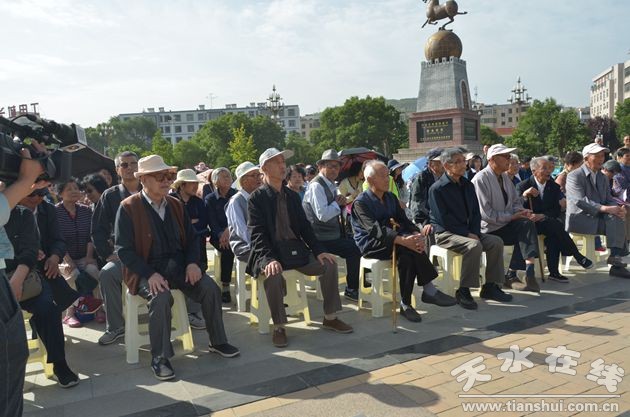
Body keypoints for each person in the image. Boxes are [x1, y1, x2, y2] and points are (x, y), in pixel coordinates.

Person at [115, 155, 239, 380]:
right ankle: (160, 357)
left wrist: (192, 263)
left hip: (178, 266)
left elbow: (192, 239)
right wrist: (150, 274)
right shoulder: (128, 208)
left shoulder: (175, 204)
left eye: (169, 176)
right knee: (161, 298)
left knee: (210, 288)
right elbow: (124, 250)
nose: (166, 181)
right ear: (143, 179)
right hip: (146, 271)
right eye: (160, 176)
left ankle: (218, 341)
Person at [247, 148, 353, 347]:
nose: (282, 166)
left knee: (329, 264)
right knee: (273, 274)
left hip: (295, 250)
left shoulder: (292, 195)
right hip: (270, 252)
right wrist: (269, 259)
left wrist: (319, 250)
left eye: (283, 162)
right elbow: (257, 234)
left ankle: (330, 317)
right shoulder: (257, 198)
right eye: (277, 162)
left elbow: (305, 227)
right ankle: (279, 326)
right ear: (264, 168)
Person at [352, 160, 456, 323]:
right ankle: (428, 290)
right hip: (372, 243)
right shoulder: (361, 202)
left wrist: (415, 233)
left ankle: (406, 304)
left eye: (388, 175)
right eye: (382, 176)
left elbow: (403, 220)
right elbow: (375, 230)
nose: (388, 179)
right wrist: (402, 240)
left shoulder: (390, 197)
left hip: (395, 239)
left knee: (408, 254)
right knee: (408, 248)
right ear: (370, 180)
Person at [5, 204, 80, 387]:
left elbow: (30, 251)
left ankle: (59, 364)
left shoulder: (22, 214)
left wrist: (17, 280)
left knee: (48, 308)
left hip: (25, 279)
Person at [429, 148, 510, 310]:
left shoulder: (467, 185)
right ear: (447, 166)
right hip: (446, 233)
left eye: (463, 161)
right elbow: (444, 219)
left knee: (495, 242)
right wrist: (467, 234)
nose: (463, 165)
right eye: (458, 162)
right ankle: (464, 290)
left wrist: (474, 232)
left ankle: (490, 286)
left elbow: (475, 213)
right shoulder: (437, 189)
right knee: (473, 246)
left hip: (469, 232)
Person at [0, 148, 46, 416]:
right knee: (9, 360)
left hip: (17, 278)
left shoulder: (24, 214)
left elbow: (30, 251)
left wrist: (26, 183)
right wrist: (24, 181)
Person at [471, 144, 540, 293]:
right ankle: (514, 274)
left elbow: (515, 202)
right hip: (488, 229)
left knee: (527, 224)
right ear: (493, 159)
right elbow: (486, 214)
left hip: (504, 224)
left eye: (509, 156)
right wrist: (512, 216)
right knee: (523, 227)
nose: (509, 160)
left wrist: (522, 211)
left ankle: (525, 272)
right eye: (506, 157)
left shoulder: (505, 177)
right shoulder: (480, 179)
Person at [516, 157, 594, 283]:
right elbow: (516, 206)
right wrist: (524, 196)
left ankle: (554, 273)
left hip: (546, 221)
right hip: (529, 224)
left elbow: (556, 210)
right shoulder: (523, 185)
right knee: (556, 226)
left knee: (554, 232)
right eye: (544, 168)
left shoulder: (553, 186)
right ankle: (577, 255)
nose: (549, 171)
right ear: (534, 171)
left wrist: (542, 215)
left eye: (550, 168)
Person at [92, 151, 142, 345]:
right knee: (106, 274)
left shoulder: (150, 189)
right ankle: (115, 327)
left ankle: (191, 314)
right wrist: (107, 254)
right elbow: (97, 229)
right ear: (117, 170)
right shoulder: (110, 195)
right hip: (124, 255)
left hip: (153, 253)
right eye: (124, 165)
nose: (130, 168)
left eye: (133, 163)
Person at [303, 150, 362, 301]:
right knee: (354, 249)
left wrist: (340, 202)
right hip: (319, 238)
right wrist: (337, 203)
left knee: (359, 244)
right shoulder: (316, 186)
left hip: (331, 234)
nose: (335, 170)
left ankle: (356, 285)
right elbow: (323, 215)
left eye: (337, 167)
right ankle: (352, 289)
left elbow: (335, 208)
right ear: (320, 166)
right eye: (331, 166)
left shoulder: (331, 185)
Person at [565, 143, 630, 278]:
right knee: (615, 219)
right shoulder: (574, 176)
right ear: (586, 158)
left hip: (598, 216)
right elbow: (580, 201)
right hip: (580, 218)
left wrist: (617, 208)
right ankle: (616, 260)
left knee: (618, 216)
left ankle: (615, 259)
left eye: (602, 156)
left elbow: (608, 198)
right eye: (597, 156)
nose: (601, 159)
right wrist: (605, 208)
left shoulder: (602, 177)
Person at [55, 178, 103, 327]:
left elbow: (90, 236)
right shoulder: (55, 212)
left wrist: (89, 257)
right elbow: (57, 239)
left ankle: (98, 309)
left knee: (93, 270)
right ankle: (70, 313)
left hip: (84, 255)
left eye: (76, 188)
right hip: (63, 257)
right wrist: (68, 261)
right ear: (60, 193)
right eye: (69, 189)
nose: (74, 191)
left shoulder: (86, 210)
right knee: (73, 274)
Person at [170, 169, 209, 330]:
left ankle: (192, 313)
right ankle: (178, 311)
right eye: (191, 183)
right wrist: (189, 224)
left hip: (197, 246)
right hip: (176, 249)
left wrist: (188, 226)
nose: (195, 187)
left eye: (196, 183)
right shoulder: (170, 201)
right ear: (181, 185)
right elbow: (172, 226)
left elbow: (203, 223)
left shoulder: (199, 202)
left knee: (198, 272)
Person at [205, 167, 236, 303]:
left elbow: (239, 218)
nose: (228, 178)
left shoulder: (236, 195)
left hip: (234, 231)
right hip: (218, 236)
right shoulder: (210, 199)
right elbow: (212, 221)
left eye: (228, 176)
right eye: (224, 176)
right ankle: (225, 286)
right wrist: (221, 234)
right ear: (215, 181)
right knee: (226, 248)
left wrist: (229, 231)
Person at [226, 162, 262, 262]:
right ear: (243, 181)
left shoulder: (259, 197)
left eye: (259, 174)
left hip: (260, 244)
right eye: (254, 175)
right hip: (244, 247)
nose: (259, 178)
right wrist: (261, 245)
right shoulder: (236, 201)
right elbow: (242, 231)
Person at [409, 147, 444, 230]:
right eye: (441, 161)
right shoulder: (421, 178)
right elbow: (417, 203)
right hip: (426, 221)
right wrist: (425, 222)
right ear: (431, 164)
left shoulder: (446, 177)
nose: (444, 164)